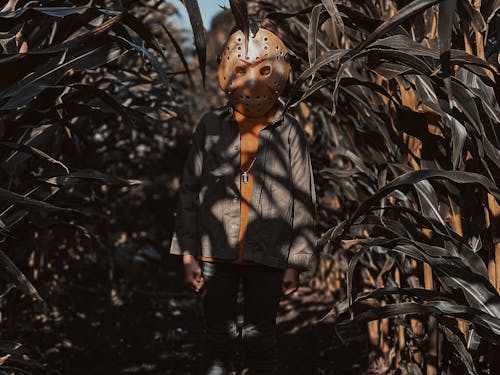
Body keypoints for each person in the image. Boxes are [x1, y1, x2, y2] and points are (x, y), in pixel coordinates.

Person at [169, 16, 318, 375]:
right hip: (216, 255)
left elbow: (303, 198)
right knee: (217, 336)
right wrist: (188, 252)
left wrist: (295, 262)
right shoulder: (210, 126)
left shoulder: (289, 131)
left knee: (260, 337)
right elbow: (190, 190)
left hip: (267, 256)